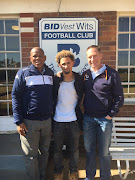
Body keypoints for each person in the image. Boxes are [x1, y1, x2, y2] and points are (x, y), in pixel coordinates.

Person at [82, 45, 124, 180]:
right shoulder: (86, 74)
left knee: (104, 152)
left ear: (101, 55)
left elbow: (119, 97)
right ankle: (90, 176)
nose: (92, 59)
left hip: (104, 120)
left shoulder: (112, 74)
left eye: (94, 55)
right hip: (88, 118)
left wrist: (110, 114)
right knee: (89, 151)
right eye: (89, 57)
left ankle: (105, 177)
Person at [12, 47, 54, 180]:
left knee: (45, 153)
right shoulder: (23, 73)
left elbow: (53, 96)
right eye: (34, 56)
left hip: (47, 121)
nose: (37, 58)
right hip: (29, 122)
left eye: (40, 56)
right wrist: (19, 121)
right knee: (31, 156)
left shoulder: (50, 73)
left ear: (45, 58)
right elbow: (15, 96)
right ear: (30, 58)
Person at [53, 50, 84, 180]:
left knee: (74, 150)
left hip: (74, 120)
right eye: (63, 64)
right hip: (58, 120)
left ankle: (73, 171)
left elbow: (84, 96)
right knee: (57, 150)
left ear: (73, 63)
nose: (66, 66)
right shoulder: (55, 80)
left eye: (68, 63)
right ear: (59, 65)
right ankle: (58, 171)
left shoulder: (79, 79)